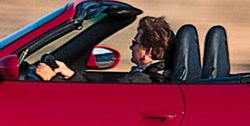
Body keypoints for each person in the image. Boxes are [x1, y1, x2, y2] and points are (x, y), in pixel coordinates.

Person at [35, 16, 175, 83]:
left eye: (135, 43)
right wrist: (71, 75)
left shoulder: (138, 81)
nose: (131, 47)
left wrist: (52, 79)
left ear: (148, 52)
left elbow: (97, 101)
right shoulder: (147, 77)